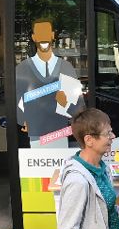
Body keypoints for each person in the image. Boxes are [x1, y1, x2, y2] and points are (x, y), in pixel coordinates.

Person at [15, 18, 82, 147]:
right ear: (34, 37)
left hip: (60, 132)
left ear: (52, 35)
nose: (43, 38)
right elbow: (16, 100)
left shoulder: (66, 67)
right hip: (35, 134)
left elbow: (77, 107)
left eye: (46, 33)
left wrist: (66, 104)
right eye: (39, 33)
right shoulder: (22, 69)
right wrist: (23, 120)